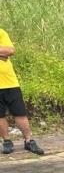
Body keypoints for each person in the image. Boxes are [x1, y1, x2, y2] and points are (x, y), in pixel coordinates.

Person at [0, 27, 43, 155]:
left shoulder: (1, 32)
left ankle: (29, 140)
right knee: (0, 115)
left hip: (10, 82)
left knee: (20, 113)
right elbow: (4, 52)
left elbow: (10, 50)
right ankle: (7, 141)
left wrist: (5, 52)